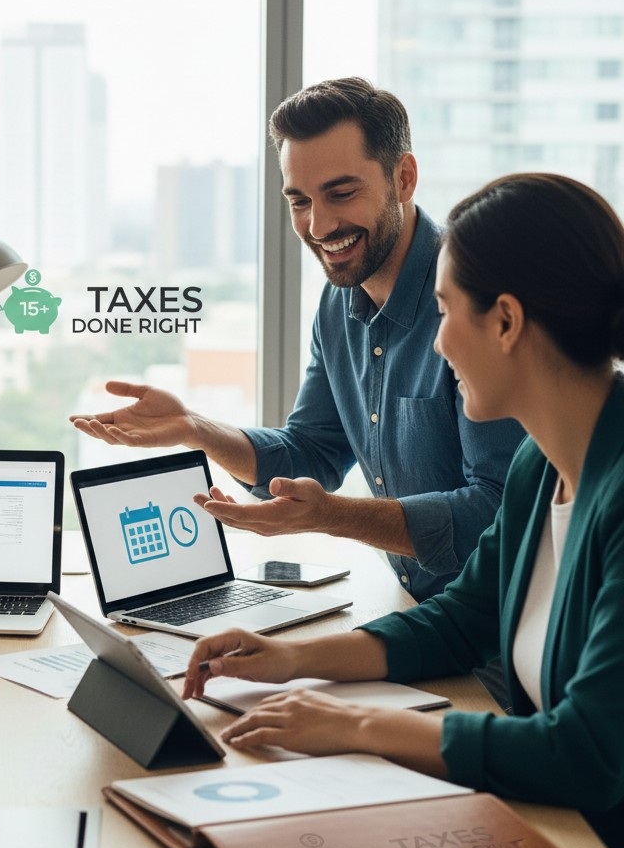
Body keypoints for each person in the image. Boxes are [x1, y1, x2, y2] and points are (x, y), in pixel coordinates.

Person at [182, 172, 624, 848]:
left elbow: (583, 752)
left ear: (506, 322)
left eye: (445, 313)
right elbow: (460, 621)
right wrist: (290, 660)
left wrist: (356, 725)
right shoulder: (538, 467)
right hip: (555, 829)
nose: (438, 344)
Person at [71, 78, 523, 603]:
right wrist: (197, 429)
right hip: (417, 606)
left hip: (499, 625)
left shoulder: (474, 301)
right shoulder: (338, 303)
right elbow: (312, 453)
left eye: (341, 193)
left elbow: (501, 511)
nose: (319, 224)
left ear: (404, 178)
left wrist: (335, 517)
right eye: (299, 200)